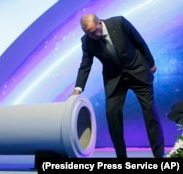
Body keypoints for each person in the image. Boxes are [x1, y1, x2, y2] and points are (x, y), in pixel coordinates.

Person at [70, 13, 164, 158]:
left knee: (150, 113)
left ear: (99, 22)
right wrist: (78, 89)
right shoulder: (87, 41)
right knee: (112, 114)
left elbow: (139, 42)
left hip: (137, 71)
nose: (94, 36)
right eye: (89, 34)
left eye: (95, 31)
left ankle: (159, 156)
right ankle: (121, 158)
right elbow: (85, 65)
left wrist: (151, 63)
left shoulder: (119, 23)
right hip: (114, 79)